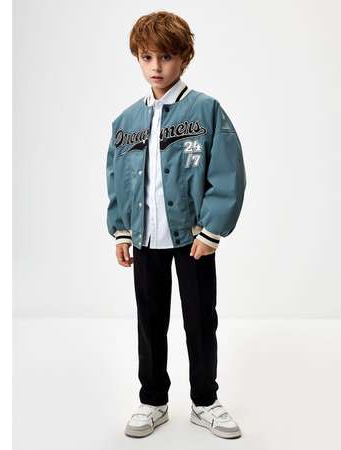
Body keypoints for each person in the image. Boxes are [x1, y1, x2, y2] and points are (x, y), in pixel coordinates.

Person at [106, 10, 246, 439]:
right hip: (145, 240)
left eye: (165, 57)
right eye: (147, 57)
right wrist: (122, 229)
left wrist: (212, 229)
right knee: (149, 322)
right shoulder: (126, 122)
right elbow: (117, 176)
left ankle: (205, 401)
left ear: (184, 58)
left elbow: (228, 172)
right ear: (137, 58)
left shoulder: (206, 111)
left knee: (200, 320)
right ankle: (153, 401)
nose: (156, 67)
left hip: (193, 239)